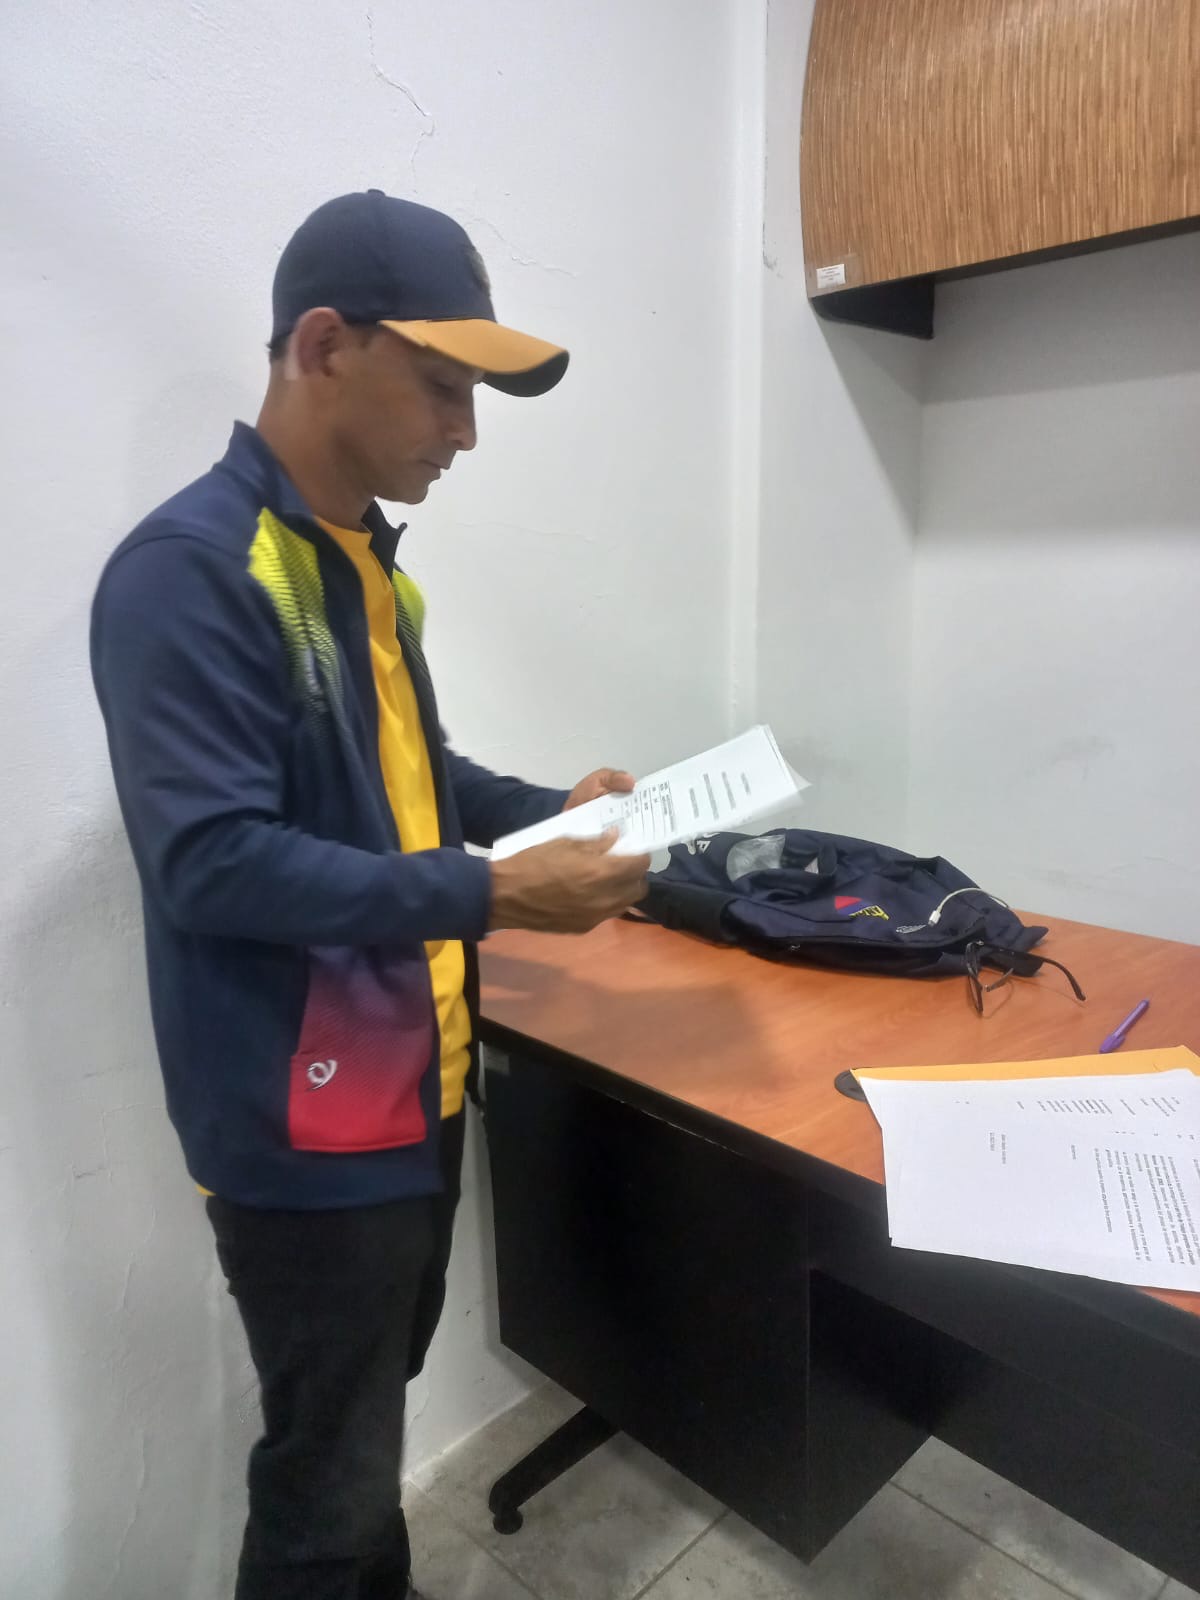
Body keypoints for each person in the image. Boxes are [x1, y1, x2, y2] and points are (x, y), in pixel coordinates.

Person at [90, 188, 650, 1600]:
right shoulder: (190, 570)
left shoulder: (369, 573)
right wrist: (501, 897)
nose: (466, 432)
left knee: (360, 1434)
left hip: (415, 1088)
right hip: (303, 1130)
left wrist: (553, 814)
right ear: (324, 346)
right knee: (326, 1491)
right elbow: (212, 861)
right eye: (444, 386)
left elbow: (411, 777)